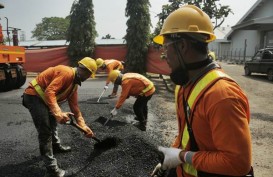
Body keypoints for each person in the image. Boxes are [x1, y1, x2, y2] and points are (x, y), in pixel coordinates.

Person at [151, 5, 253, 177]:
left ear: (182, 46)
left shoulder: (222, 95)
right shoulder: (184, 86)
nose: (164, 55)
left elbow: (238, 163)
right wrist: (169, 161)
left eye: (166, 47)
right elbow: (187, 136)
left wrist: (182, 156)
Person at [22, 57, 97, 177]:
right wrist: (58, 113)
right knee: (45, 131)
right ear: (85, 71)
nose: (88, 78)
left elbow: (75, 108)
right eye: (89, 75)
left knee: (53, 123)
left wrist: (83, 126)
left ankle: (55, 146)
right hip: (34, 96)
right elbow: (50, 92)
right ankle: (52, 169)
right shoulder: (67, 72)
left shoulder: (74, 85)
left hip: (45, 100)